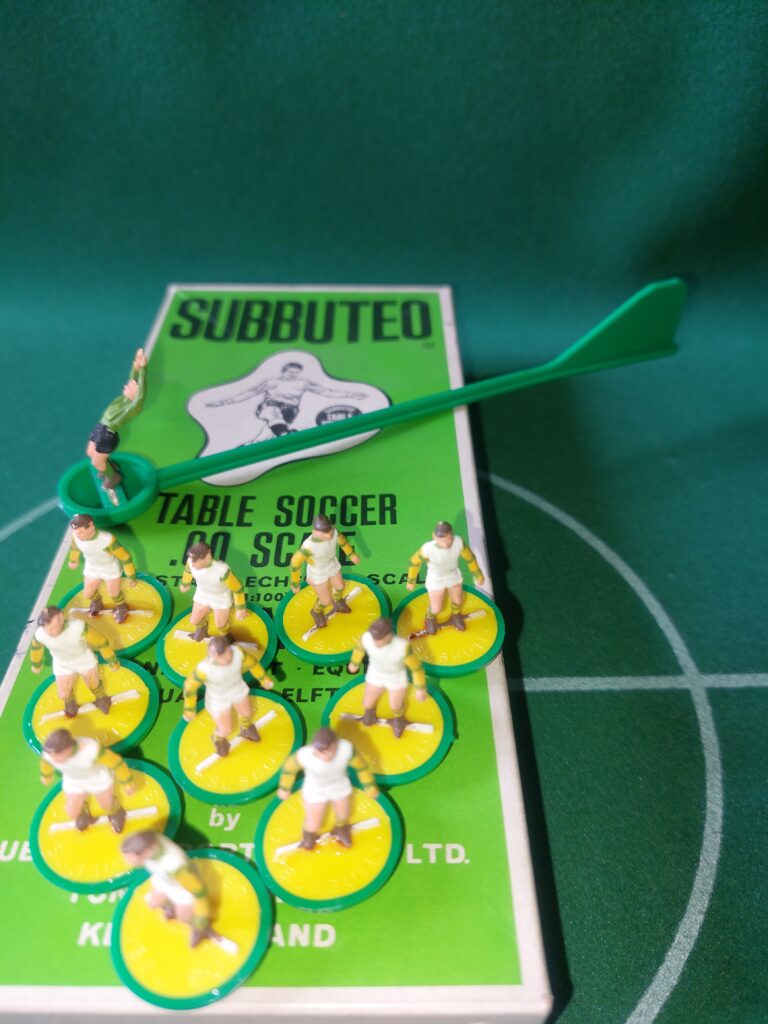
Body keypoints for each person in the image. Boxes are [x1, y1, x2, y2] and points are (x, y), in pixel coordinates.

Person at [206, 361, 366, 439]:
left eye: (296, 373)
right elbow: (249, 393)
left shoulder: (303, 383)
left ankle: (250, 445)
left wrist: (351, 395)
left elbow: (326, 391)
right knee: (273, 412)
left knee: (266, 437)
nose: (293, 375)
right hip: (271, 405)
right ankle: (284, 434)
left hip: (290, 410)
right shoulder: (272, 382)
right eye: (291, 372)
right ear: (284, 371)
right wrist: (223, 402)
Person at [277, 727, 378, 850]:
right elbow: (289, 769)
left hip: (339, 786)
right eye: (320, 752)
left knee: (343, 814)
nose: (325, 756)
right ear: (315, 749)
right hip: (315, 790)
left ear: (335, 745)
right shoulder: (305, 755)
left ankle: (340, 829)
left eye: (329, 750)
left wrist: (369, 786)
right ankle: (309, 836)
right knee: (314, 824)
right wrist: (284, 788)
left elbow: (361, 768)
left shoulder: (346, 749)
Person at [182, 635, 275, 758]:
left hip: (237, 688)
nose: (227, 660)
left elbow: (252, 663)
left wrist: (264, 679)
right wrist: (189, 709)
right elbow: (189, 686)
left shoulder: (238, 653)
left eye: (228, 654)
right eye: (222, 658)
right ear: (213, 656)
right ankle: (218, 739)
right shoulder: (204, 669)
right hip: (217, 699)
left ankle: (246, 729)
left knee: (247, 713)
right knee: (225, 729)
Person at [121, 830, 213, 948]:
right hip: (163, 879)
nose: (127, 861)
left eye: (130, 857)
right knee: (153, 903)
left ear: (147, 851)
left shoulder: (176, 865)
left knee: (183, 918)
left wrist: (201, 919)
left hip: (182, 890)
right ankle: (170, 906)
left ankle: (201, 929)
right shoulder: (150, 847)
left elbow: (199, 893)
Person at [40, 728, 136, 833]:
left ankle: (116, 813)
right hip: (74, 781)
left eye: (57, 755)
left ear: (68, 749)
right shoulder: (49, 755)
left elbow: (116, 762)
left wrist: (127, 782)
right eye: (52, 755)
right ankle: (83, 814)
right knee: (72, 812)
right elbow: (46, 763)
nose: (54, 759)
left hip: (97, 778)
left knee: (107, 804)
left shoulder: (91, 750)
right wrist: (46, 776)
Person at [30, 605, 120, 717]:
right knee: (63, 694)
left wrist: (111, 660)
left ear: (60, 618)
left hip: (84, 659)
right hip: (62, 664)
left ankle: (101, 698)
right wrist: (36, 664)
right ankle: (70, 703)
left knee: (93, 683)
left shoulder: (78, 627)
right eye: (47, 629)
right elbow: (36, 648)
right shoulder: (40, 634)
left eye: (53, 628)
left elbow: (100, 642)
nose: (51, 632)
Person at [347, 616, 426, 737]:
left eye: (380, 639)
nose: (376, 642)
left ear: (389, 635)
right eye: (374, 639)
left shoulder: (402, 646)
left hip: (396, 678)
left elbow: (416, 668)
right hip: (375, 674)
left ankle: (398, 721)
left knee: (396, 704)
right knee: (368, 702)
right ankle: (369, 716)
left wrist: (420, 688)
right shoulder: (367, 638)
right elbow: (359, 649)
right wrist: (354, 663)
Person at [406, 520, 485, 634]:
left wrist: (477, 573)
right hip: (436, 579)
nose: (446, 543)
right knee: (436, 608)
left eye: (448, 539)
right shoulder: (428, 549)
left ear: (451, 535)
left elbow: (470, 558)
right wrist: (411, 580)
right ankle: (430, 618)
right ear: (434, 537)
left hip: (453, 576)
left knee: (458, 600)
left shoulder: (458, 543)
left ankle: (456, 616)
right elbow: (414, 562)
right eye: (443, 541)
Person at [86, 348, 148, 489]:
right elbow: (132, 380)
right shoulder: (124, 399)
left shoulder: (132, 407)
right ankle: (108, 466)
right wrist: (135, 366)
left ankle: (113, 477)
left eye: (131, 387)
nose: (127, 386)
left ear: (136, 394)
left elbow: (141, 395)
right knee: (90, 453)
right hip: (100, 427)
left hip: (107, 435)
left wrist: (143, 369)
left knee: (96, 463)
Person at [290, 514, 360, 629]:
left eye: (329, 531)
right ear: (315, 532)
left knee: (340, 586)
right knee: (325, 600)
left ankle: (338, 601)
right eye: (325, 533)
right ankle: (316, 612)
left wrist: (351, 554)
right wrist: (295, 583)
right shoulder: (308, 546)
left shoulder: (333, 532)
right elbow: (295, 563)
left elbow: (343, 542)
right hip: (317, 572)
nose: (329, 535)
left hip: (331, 564)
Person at [68, 513, 137, 623]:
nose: (78, 535)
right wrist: (73, 560)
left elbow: (125, 557)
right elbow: (75, 548)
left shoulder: (107, 539)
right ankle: (97, 602)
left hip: (110, 568)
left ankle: (122, 607)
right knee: (88, 593)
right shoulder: (75, 536)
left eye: (81, 532)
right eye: (76, 532)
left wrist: (132, 576)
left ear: (91, 526)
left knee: (114, 593)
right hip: (91, 567)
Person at [179, 542, 247, 643]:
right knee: (195, 620)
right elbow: (187, 572)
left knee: (221, 624)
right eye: (192, 559)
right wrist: (185, 584)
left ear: (208, 556)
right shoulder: (190, 562)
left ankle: (227, 636)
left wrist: (240, 608)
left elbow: (237, 589)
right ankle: (201, 630)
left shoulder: (222, 570)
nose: (193, 563)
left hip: (221, 597)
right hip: (202, 594)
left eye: (196, 560)